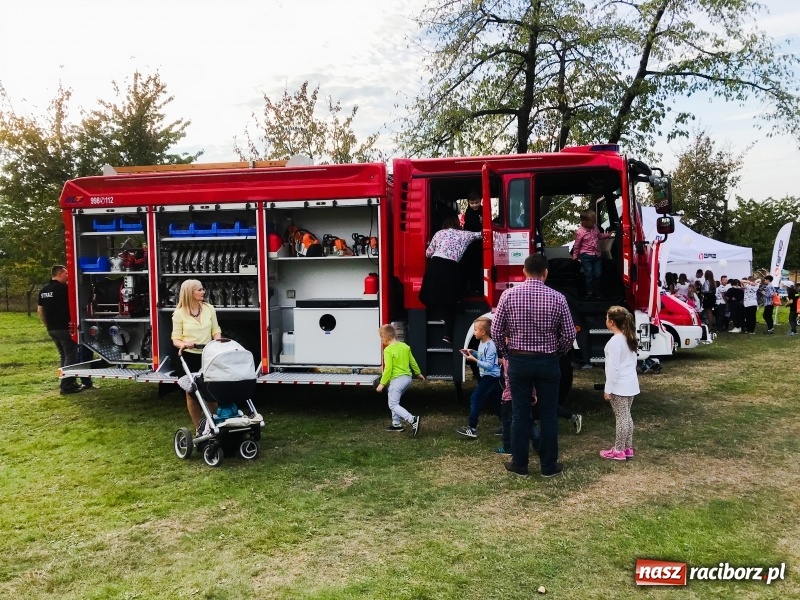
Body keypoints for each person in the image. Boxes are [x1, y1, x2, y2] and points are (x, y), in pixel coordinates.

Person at [491, 253, 576, 477]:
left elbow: (496, 331)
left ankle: (520, 464)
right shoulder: (558, 298)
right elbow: (569, 334)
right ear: (545, 273)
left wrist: (506, 353)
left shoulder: (508, 295)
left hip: (519, 360)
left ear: (524, 271)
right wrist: (558, 352)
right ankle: (549, 466)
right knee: (548, 414)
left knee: (520, 414)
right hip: (548, 361)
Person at [418, 216, 482, 344]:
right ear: (458, 225)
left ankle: (438, 314)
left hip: (435, 265)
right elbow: (482, 234)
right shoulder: (465, 234)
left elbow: (428, 253)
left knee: (430, 293)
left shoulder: (439, 233)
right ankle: (448, 335)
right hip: (451, 267)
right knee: (450, 300)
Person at [171, 279, 222, 433]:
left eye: (202, 289)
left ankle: (214, 423)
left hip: (207, 355)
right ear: (189, 292)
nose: (203, 292)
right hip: (188, 356)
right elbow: (175, 339)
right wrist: (185, 344)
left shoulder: (209, 308)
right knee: (192, 393)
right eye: (199, 290)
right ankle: (199, 427)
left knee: (210, 390)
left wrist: (218, 343)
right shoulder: (179, 314)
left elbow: (215, 330)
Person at [38, 265, 92, 395]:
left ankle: (67, 381)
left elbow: (40, 310)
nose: (68, 276)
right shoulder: (64, 289)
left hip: (52, 329)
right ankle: (67, 386)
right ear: (60, 273)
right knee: (71, 356)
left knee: (64, 355)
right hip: (65, 327)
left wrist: (48, 325)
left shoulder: (43, 290)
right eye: (66, 273)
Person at [599, 306, 640, 460]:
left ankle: (618, 450)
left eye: (606, 318)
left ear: (611, 322)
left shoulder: (615, 342)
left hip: (620, 386)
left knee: (622, 418)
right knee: (627, 417)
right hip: (631, 384)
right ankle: (628, 448)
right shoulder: (629, 337)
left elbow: (613, 368)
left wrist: (608, 389)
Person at [456, 317, 501, 438]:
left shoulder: (490, 346)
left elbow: (489, 366)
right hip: (487, 376)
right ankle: (507, 424)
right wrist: (473, 352)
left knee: (475, 399)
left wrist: (474, 360)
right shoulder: (482, 343)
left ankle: (472, 428)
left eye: (476, 330)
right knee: (495, 401)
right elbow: (482, 356)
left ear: (483, 332)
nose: (474, 332)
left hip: (490, 377)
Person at [377, 324, 424, 435]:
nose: (381, 340)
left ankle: (412, 419)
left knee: (393, 404)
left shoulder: (388, 350)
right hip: (407, 379)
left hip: (397, 380)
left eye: (381, 338)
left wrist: (382, 383)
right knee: (393, 400)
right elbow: (412, 361)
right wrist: (418, 373)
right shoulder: (405, 346)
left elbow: (388, 368)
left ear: (385, 337)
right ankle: (396, 424)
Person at [495, 356, 540, 456]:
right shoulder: (525, 359)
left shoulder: (508, 360)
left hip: (510, 397)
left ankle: (508, 447)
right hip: (525, 395)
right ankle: (540, 445)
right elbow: (531, 380)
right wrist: (532, 395)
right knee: (529, 422)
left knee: (506, 422)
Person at [571, 209, 610, 299]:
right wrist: (575, 255)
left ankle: (597, 291)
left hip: (597, 255)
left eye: (594, 221)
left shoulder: (595, 228)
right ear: (584, 222)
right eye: (592, 222)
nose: (594, 223)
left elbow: (599, 236)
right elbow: (577, 245)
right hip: (586, 256)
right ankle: (589, 293)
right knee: (589, 274)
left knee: (598, 274)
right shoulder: (580, 232)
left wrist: (608, 235)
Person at [460, 191, 484, 294]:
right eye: (472, 203)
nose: (475, 205)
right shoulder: (468, 214)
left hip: (481, 242)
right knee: (474, 266)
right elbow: (469, 230)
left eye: (477, 202)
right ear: (468, 203)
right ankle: (474, 287)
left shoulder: (483, 211)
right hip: (472, 244)